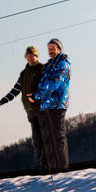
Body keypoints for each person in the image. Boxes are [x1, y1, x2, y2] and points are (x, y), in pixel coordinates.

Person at [0, 46, 45, 169]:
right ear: (25, 57)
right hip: (30, 110)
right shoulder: (23, 74)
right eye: (28, 55)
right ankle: (40, 165)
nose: (30, 57)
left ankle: (48, 164)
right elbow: (15, 91)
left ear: (37, 56)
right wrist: (1, 102)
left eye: (33, 55)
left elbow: (47, 88)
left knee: (45, 137)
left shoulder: (42, 69)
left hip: (42, 109)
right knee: (36, 139)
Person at [28, 38, 71, 171]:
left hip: (57, 105)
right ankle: (52, 169)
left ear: (59, 49)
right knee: (47, 139)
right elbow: (42, 83)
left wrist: (37, 95)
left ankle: (62, 169)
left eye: (53, 48)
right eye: (49, 49)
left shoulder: (63, 64)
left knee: (58, 138)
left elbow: (53, 84)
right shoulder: (48, 65)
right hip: (45, 106)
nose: (50, 51)